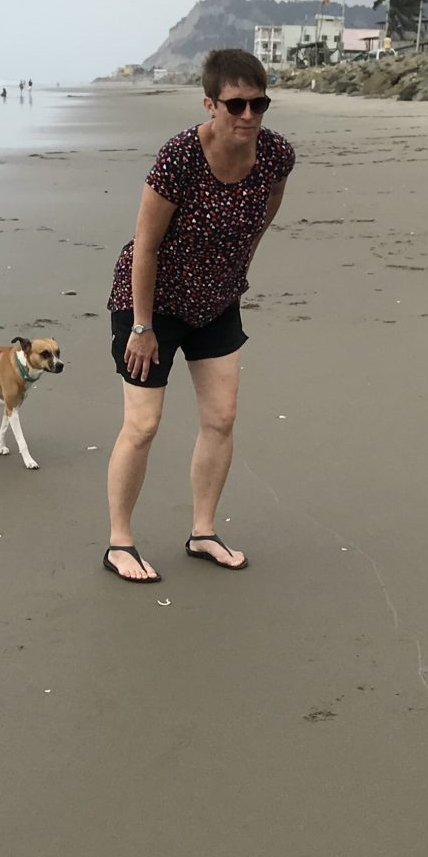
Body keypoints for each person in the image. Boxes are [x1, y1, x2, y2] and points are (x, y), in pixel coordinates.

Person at [102, 48, 291, 583]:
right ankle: (120, 542)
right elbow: (145, 246)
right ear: (210, 104)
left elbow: (264, 215)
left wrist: (237, 271)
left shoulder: (276, 155)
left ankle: (202, 532)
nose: (249, 117)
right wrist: (140, 327)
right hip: (152, 301)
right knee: (142, 424)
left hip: (216, 300)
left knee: (221, 418)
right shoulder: (179, 157)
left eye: (259, 103)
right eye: (236, 105)